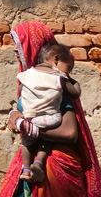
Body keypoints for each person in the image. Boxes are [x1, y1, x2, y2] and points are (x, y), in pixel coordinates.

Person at [0, 21, 101, 197]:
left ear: (33, 48)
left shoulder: (57, 88)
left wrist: (33, 130)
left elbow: (70, 133)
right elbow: (25, 109)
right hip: (32, 165)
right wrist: (14, 114)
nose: (15, 50)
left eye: (19, 45)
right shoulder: (31, 83)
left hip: (56, 166)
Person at [16, 42, 81, 183]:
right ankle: (39, 162)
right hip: (49, 119)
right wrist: (74, 83)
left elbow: (21, 91)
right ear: (56, 59)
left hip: (29, 119)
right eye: (68, 68)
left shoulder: (27, 75)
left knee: (26, 144)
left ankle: (26, 170)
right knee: (46, 140)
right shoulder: (59, 78)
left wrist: (30, 127)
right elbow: (75, 94)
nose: (68, 73)